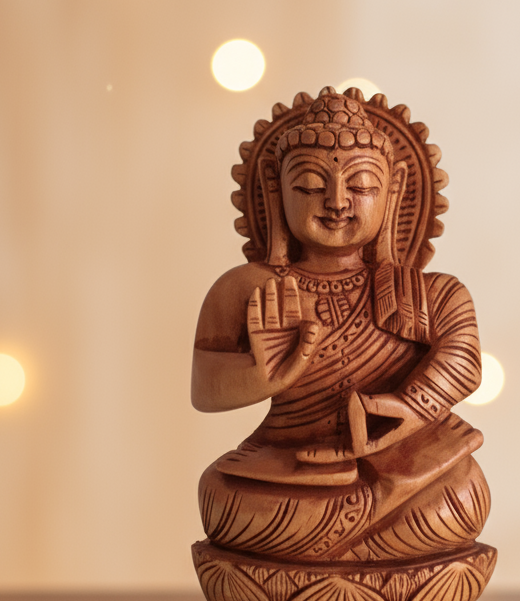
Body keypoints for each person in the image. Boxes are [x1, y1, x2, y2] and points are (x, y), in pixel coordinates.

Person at [191, 88, 491, 567]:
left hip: (401, 460)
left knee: (461, 493)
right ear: (275, 192)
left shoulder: (431, 292)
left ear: (392, 194)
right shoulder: (248, 288)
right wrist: (262, 377)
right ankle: (375, 540)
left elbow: (464, 357)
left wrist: (405, 407)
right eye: (310, 186)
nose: (336, 202)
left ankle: (345, 546)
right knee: (222, 497)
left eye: (362, 186)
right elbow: (205, 392)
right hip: (289, 468)